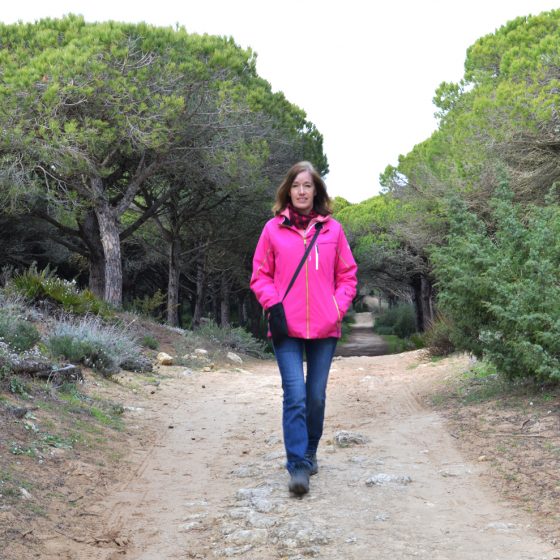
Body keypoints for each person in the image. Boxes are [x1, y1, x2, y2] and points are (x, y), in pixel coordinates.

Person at [250, 161, 358, 496]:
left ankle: (311, 451)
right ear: (288, 190)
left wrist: (337, 308)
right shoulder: (272, 230)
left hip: (325, 328)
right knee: (294, 395)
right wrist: (273, 303)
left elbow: (348, 276)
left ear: (316, 191)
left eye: (307, 186)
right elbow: (260, 275)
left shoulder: (333, 231)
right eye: (296, 185)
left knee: (315, 397)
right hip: (286, 327)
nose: (301, 191)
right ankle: (297, 466)